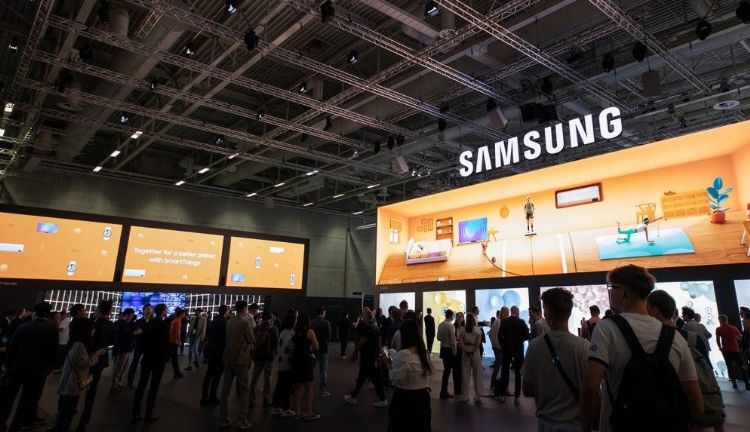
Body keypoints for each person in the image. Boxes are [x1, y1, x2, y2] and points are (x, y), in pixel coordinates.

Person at [580, 265, 703, 432]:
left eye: (612, 287)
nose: (610, 292)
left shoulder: (606, 328)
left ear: (623, 292)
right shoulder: (675, 337)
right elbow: (696, 405)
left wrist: (586, 426)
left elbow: (591, 385)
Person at [647, 290, 726, 431]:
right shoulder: (692, 338)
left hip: (670, 406)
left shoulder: (650, 341)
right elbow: (707, 368)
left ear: (654, 310)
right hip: (700, 397)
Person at [522, 288, 590, 432]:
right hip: (576, 424)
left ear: (547, 313)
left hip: (545, 423)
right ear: (569, 312)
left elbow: (527, 389)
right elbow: (591, 389)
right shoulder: (583, 346)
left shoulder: (534, 346)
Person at [0, 302, 58, 431]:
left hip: (16, 367)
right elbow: (53, 350)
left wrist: (7, 364)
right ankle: (15, 427)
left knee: (7, 398)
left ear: (35, 313)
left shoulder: (23, 326)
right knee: (26, 401)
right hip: (36, 371)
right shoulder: (51, 329)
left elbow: (12, 346)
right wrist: (49, 367)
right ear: (48, 314)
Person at [50, 318, 106, 432]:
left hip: (69, 382)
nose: (94, 331)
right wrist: (97, 354)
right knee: (67, 412)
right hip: (72, 384)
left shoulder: (74, 342)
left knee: (65, 409)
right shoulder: (79, 346)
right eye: (92, 328)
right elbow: (85, 363)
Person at [384, 319, 432, 432]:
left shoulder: (404, 354)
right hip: (423, 400)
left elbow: (396, 380)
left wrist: (388, 364)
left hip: (405, 400)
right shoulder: (425, 354)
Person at [78, 300, 114, 432]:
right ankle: (84, 420)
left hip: (87, 359)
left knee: (76, 387)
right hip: (100, 360)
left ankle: (70, 414)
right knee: (92, 390)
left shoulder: (92, 324)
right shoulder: (110, 325)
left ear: (98, 310)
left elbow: (87, 341)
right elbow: (111, 341)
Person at [132, 303, 170, 423]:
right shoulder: (164, 326)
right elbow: (166, 344)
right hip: (158, 359)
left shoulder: (149, 324)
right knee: (154, 387)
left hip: (147, 357)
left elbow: (143, 339)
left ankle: (136, 412)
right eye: (166, 310)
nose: (167, 312)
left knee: (141, 385)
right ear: (163, 311)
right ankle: (149, 413)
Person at [220, 301, 254, 430]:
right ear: (244, 309)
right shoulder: (244, 323)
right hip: (240, 360)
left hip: (228, 358)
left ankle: (223, 418)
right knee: (244, 390)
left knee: (226, 389)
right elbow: (251, 339)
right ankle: (242, 420)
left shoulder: (229, 321)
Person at [344, 308, 388, 408]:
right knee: (366, 377)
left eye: (363, 316)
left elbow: (361, 342)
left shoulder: (367, 328)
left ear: (366, 316)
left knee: (369, 378)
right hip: (372, 356)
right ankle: (354, 396)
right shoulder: (375, 326)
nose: (362, 318)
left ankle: (382, 399)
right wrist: (379, 355)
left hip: (366, 356)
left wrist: (354, 353)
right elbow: (379, 342)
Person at [497, 306, 529, 403]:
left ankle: (502, 394)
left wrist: (503, 346)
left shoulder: (504, 321)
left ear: (511, 311)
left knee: (505, 371)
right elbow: (527, 335)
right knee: (518, 373)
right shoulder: (521, 322)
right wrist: (520, 341)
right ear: (517, 312)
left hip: (507, 350)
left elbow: (499, 335)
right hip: (518, 350)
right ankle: (517, 396)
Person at [291, 313, 320, 421]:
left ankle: (297, 413)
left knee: (297, 388)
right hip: (306, 361)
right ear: (308, 321)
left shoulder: (295, 332)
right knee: (309, 388)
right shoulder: (310, 331)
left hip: (296, 361)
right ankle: (308, 412)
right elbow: (316, 346)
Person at [249, 310, 278, 408]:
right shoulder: (273, 329)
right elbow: (275, 344)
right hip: (268, 357)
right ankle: (266, 399)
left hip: (257, 356)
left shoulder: (256, 328)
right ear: (270, 317)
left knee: (254, 377)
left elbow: (253, 342)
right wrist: (273, 355)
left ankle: (251, 399)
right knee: (267, 379)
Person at [201, 305, 229, 406]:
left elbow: (208, 335)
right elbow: (225, 338)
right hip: (220, 351)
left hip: (211, 350)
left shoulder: (213, 321)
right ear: (226, 311)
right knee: (217, 375)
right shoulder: (225, 322)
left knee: (209, 373)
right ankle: (212, 396)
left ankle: (204, 397)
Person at [271, 312, 297, 417]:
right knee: (287, 386)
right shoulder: (291, 333)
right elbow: (291, 348)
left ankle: (276, 407)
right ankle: (285, 409)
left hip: (281, 362)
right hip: (287, 363)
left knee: (280, 385)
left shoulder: (283, 332)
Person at [715, 314, 749, 390]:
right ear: (726, 320)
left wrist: (720, 347)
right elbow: (740, 337)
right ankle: (747, 384)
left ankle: (734, 384)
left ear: (720, 320)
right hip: (735, 350)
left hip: (726, 350)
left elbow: (717, 340)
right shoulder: (733, 328)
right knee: (741, 366)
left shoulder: (718, 329)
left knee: (729, 367)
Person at [459, 313, 483, 403]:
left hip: (465, 352)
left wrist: (466, 350)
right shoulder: (477, 330)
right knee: (477, 374)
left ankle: (465, 396)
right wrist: (473, 351)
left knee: (465, 374)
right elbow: (478, 343)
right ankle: (478, 396)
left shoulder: (462, 330)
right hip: (475, 352)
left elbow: (460, 341)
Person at [111, 308, 137, 392]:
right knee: (119, 367)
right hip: (122, 348)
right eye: (130, 315)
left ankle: (119, 383)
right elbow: (124, 335)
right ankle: (114, 385)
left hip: (128, 348)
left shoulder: (128, 323)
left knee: (124, 367)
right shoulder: (121, 323)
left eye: (132, 315)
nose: (131, 317)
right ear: (126, 315)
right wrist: (134, 333)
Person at [127, 305, 153, 388]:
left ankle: (143, 384)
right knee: (135, 363)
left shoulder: (153, 322)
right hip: (139, 345)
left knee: (146, 365)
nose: (148, 311)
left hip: (149, 346)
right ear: (143, 310)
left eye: (150, 309)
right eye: (147, 309)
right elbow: (134, 333)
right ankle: (129, 382)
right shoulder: (138, 322)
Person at [55, 305, 84, 372]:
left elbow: (61, 329)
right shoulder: (70, 321)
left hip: (63, 341)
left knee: (60, 355)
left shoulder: (66, 320)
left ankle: (59, 367)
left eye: (59, 316)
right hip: (63, 340)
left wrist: (54, 326)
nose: (59, 318)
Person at [311, 306, 331, 398]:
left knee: (310, 369)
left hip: (313, 349)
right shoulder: (326, 323)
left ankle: (307, 387)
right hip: (323, 349)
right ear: (322, 312)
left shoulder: (311, 322)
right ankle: (323, 391)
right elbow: (329, 337)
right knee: (323, 371)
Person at [489, 307, 509, 392]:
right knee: (497, 367)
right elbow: (491, 334)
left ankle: (504, 387)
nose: (508, 314)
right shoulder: (497, 321)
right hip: (498, 348)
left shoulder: (507, 321)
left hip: (505, 348)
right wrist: (494, 345)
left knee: (505, 369)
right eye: (507, 312)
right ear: (502, 312)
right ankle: (492, 386)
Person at [437, 309, 456, 399]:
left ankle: (443, 391)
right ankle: (444, 391)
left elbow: (438, 338)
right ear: (451, 316)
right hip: (449, 350)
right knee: (448, 371)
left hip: (443, 349)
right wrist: (454, 352)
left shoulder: (441, 324)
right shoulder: (451, 326)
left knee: (446, 370)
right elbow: (453, 341)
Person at [168, 308, 185, 379]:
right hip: (174, 342)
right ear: (181, 314)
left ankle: (177, 373)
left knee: (174, 358)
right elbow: (178, 332)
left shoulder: (175, 320)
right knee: (172, 358)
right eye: (183, 314)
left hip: (172, 341)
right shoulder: (178, 321)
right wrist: (179, 341)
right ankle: (177, 373)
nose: (184, 315)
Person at [452, 312, 466, 399]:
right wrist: (457, 343)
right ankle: (456, 389)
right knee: (456, 370)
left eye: (461, 316)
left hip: (463, 350)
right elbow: (452, 338)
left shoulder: (465, 327)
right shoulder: (453, 326)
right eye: (458, 316)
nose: (459, 318)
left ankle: (462, 389)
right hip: (456, 350)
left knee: (463, 370)